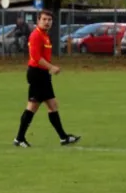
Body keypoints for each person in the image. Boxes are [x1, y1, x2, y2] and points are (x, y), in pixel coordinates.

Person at [13, 10, 81, 147]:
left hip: (43, 74)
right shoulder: (36, 35)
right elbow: (36, 58)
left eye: (49, 20)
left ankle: (63, 137)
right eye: (44, 19)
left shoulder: (45, 35)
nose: (47, 22)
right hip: (37, 73)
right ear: (38, 20)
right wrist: (51, 67)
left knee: (50, 105)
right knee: (34, 106)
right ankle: (19, 138)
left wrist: (49, 69)